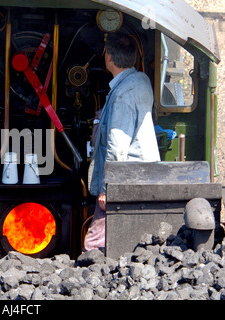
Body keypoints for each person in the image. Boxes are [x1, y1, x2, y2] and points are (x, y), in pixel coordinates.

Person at [84, 32, 161, 253]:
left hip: (124, 181)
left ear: (108, 58)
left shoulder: (122, 94)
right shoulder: (141, 81)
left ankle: (89, 283)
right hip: (141, 176)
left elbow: (117, 147)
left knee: (94, 244)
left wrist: (107, 189)